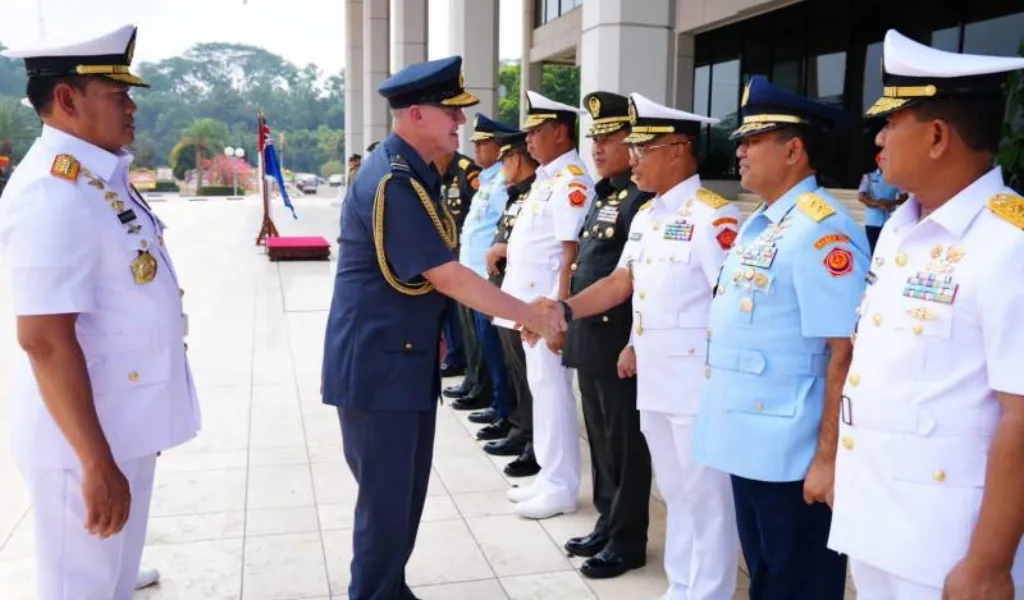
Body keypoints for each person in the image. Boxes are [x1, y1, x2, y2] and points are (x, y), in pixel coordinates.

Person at [320, 56, 563, 600]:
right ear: (415, 115)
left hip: (398, 362)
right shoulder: (393, 181)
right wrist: (532, 314)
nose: (461, 123)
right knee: (386, 504)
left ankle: (389, 588)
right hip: (379, 368)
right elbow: (448, 275)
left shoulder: (414, 173)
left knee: (402, 498)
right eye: (450, 112)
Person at [0, 25, 200, 599]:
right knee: (80, 588)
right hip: (82, 439)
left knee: (110, 580)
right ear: (67, 99)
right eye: (117, 95)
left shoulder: (95, 175)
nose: (132, 107)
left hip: (118, 420)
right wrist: (95, 461)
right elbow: (42, 339)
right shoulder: (51, 192)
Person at [828, 30, 1024, 600]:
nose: (880, 139)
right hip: (877, 518)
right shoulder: (900, 226)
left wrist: (988, 566)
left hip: (949, 543)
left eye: (891, 123)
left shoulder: (1009, 243)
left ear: (938, 135)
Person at [546, 93, 743, 594]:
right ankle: (681, 586)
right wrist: (565, 310)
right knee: (675, 493)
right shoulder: (650, 215)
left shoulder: (713, 218)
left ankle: (709, 591)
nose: (632, 159)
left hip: (697, 384)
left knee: (707, 499)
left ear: (677, 151)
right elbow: (624, 284)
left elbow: (732, 306)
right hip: (655, 379)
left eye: (642, 149)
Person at [691, 75, 869, 600]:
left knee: (800, 581)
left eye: (752, 140)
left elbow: (846, 350)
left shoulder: (822, 229)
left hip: (794, 452)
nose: (738, 151)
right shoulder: (764, 223)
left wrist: (829, 458)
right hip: (750, 440)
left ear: (793, 150)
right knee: (768, 576)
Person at [558, 91, 654, 580]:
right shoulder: (605, 194)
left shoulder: (641, 198)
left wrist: (633, 340)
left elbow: (635, 278)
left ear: (632, 142)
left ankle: (627, 538)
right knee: (598, 436)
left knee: (624, 444)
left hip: (617, 339)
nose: (598, 146)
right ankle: (605, 520)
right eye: (594, 137)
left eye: (609, 137)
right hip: (589, 336)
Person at [497, 90, 593, 520]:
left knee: (554, 393)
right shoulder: (547, 179)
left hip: (546, 310)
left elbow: (569, 254)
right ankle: (549, 473)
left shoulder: (572, 180)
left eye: (536, 132)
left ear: (560, 131)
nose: (529, 141)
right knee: (541, 390)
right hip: (528, 308)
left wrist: (557, 314)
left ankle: (561, 485)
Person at [482, 130, 542, 477]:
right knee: (515, 371)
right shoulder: (517, 194)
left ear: (517, 159)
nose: (503, 166)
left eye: (505, 159)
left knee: (529, 375)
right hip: (507, 289)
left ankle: (531, 441)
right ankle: (520, 430)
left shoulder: (537, 190)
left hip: (523, 293)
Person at [457, 114, 520, 440]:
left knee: (496, 350)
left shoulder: (502, 183)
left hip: (486, 278)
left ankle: (502, 406)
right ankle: (488, 395)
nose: (476, 149)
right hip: (471, 275)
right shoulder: (486, 179)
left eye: (482, 143)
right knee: (480, 345)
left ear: (499, 147)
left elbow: (505, 230)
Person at [435, 148, 483, 394]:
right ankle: (458, 360)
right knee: (454, 314)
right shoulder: (440, 172)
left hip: (467, 255)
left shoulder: (468, 171)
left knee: (468, 320)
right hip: (449, 252)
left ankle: (465, 366)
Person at [857, 153, 906, 253]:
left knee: (887, 250)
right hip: (872, 220)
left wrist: (892, 202)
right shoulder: (869, 177)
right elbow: (861, 197)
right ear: (878, 162)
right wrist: (878, 204)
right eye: (883, 161)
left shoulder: (896, 178)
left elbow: (904, 197)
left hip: (889, 220)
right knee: (873, 249)